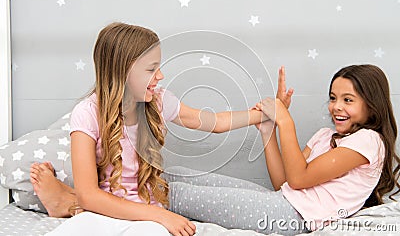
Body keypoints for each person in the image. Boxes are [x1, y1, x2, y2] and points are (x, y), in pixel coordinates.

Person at [29, 22, 278, 236]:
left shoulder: (158, 101)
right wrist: (160, 216)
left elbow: (216, 123)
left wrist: (264, 114)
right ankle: (67, 202)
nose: (160, 75)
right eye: (151, 69)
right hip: (104, 208)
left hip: (144, 209)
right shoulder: (87, 113)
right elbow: (89, 195)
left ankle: (66, 200)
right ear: (122, 72)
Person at [164, 64, 400, 235]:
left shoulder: (369, 141)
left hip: (296, 217)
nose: (336, 106)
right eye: (333, 97)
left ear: (372, 104)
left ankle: (128, 202)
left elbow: (299, 179)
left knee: (177, 194)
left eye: (348, 100)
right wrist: (269, 129)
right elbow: (284, 183)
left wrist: (286, 121)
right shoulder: (325, 136)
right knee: (174, 173)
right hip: (283, 201)